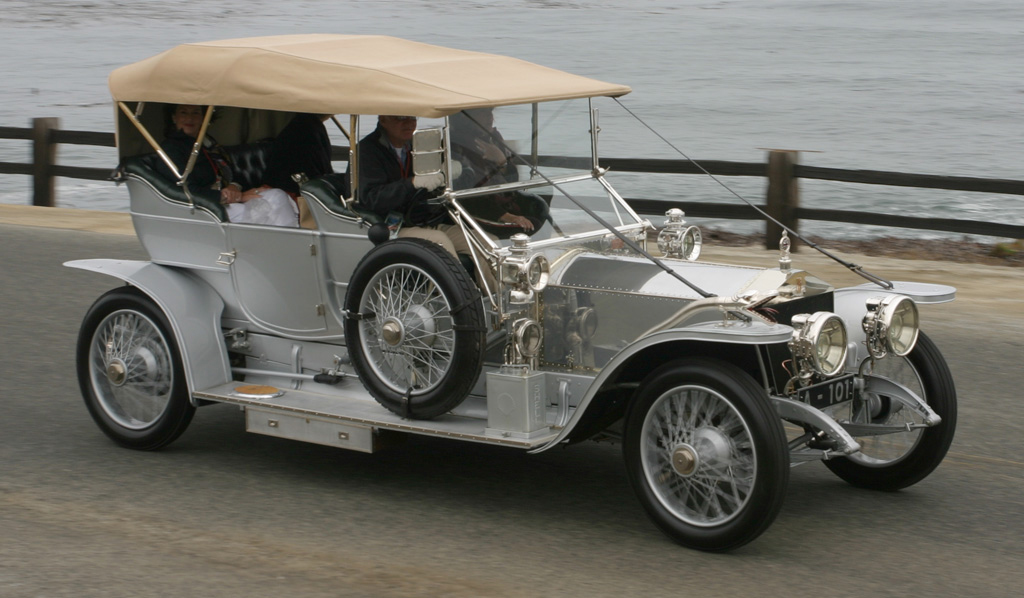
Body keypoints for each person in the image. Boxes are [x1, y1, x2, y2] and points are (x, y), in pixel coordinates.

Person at [354, 115, 497, 290]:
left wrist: (457, 170)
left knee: (488, 242)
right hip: (390, 227)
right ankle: (454, 309)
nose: (408, 123)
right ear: (383, 120)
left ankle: (500, 301)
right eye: (400, 118)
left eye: (412, 118)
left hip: (426, 220)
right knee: (440, 242)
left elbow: (448, 180)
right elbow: (370, 199)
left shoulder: (421, 146)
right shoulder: (367, 151)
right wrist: (411, 184)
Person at [157, 104, 298, 227]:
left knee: (277, 195)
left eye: (196, 113)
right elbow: (186, 191)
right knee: (270, 207)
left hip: (225, 202)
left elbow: (231, 173)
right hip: (205, 208)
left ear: (204, 119)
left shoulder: (208, 145)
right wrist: (235, 197)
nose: (190, 118)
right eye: (183, 112)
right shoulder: (171, 149)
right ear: (174, 117)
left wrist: (234, 187)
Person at [449, 108, 544, 234]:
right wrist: (505, 216)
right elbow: (467, 192)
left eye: (490, 112)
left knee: (539, 207)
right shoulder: (455, 143)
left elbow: (512, 180)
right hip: (478, 208)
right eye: (482, 112)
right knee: (532, 226)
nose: (489, 117)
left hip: (503, 198)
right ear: (465, 118)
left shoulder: (493, 138)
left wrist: (501, 160)